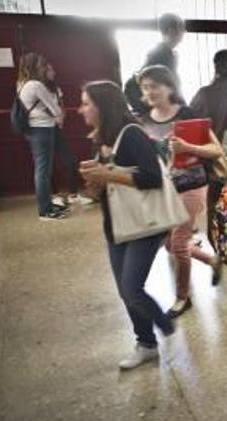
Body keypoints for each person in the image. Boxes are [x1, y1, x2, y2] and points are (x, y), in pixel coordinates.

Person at [78, 81, 175, 369]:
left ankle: (164, 324)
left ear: (103, 106)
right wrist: (95, 183)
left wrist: (108, 174)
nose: (81, 109)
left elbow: (152, 178)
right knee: (125, 291)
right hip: (117, 224)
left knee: (132, 288)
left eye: (86, 103)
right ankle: (145, 343)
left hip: (144, 224)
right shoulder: (102, 138)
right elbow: (108, 187)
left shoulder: (131, 134)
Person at [137, 65, 223, 318]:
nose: (150, 92)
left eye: (155, 86)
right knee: (169, 245)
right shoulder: (143, 120)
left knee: (177, 241)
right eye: (145, 87)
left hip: (192, 185)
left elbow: (216, 151)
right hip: (162, 189)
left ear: (169, 87)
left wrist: (188, 147)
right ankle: (211, 260)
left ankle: (182, 298)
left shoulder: (187, 114)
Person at [190, 49, 227, 248]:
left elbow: (190, 125)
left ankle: (216, 248)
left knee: (214, 207)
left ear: (215, 67)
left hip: (211, 164)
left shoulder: (202, 94)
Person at [16, 53, 72, 220]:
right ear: (34, 66)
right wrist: (58, 115)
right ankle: (45, 210)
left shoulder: (21, 83)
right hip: (42, 129)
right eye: (40, 64)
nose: (43, 67)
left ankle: (47, 204)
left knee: (42, 169)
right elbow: (55, 109)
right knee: (43, 171)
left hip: (33, 129)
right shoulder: (35, 85)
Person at [43, 61, 94, 208]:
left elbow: (60, 105)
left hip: (56, 128)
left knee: (70, 160)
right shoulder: (35, 88)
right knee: (47, 164)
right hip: (42, 130)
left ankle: (73, 194)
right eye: (50, 70)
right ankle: (53, 196)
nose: (53, 72)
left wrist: (60, 117)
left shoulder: (55, 88)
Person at [125, 13, 185, 116]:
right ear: (171, 30)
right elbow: (169, 85)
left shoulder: (163, 52)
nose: (184, 32)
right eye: (182, 29)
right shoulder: (162, 54)